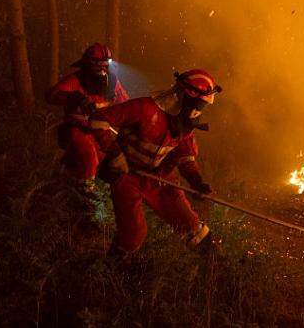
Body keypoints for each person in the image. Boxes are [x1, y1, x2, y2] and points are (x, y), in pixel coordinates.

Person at [90, 68, 221, 258]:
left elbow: (186, 157)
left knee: (191, 225)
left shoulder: (183, 123)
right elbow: (98, 120)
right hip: (127, 176)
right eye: (199, 104)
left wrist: (197, 181)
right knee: (134, 235)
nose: (199, 110)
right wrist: (115, 155)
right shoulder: (144, 108)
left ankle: (217, 268)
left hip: (160, 178)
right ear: (185, 96)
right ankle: (109, 270)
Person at [46, 43, 129, 195]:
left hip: (102, 133)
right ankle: (84, 198)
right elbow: (52, 96)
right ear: (88, 65)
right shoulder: (76, 80)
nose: (103, 70)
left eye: (106, 66)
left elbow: (126, 105)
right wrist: (75, 97)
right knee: (89, 156)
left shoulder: (112, 83)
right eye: (98, 66)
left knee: (113, 161)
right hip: (78, 130)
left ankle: (107, 196)